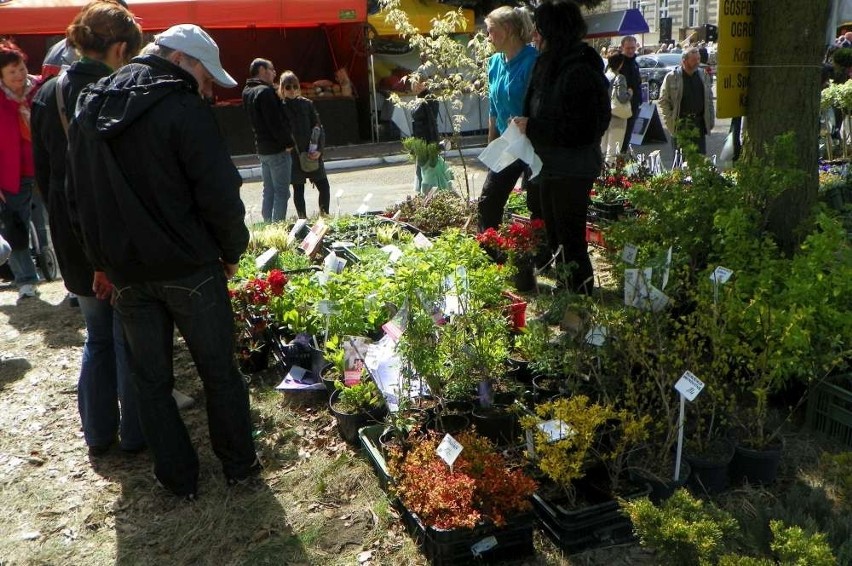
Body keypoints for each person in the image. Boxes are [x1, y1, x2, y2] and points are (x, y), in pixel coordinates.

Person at [66, 24, 259, 500]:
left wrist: (101, 259)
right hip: (188, 265)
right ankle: (238, 466)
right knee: (217, 372)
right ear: (177, 61)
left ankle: (178, 478)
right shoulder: (182, 107)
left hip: (129, 271)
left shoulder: (92, 105)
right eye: (204, 74)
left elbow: (78, 198)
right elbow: (219, 192)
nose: (207, 86)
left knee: (151, 381)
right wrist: (231, 250)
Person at [31, 0, 146, 457]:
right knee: (128, 338)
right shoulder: (117, 92)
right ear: (118, 48)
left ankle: (98, 434)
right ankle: (137, 434)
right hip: (111, 235)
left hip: (68, 233)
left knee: (97, 336)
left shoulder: (46, 93)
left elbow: (43, 176)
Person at [513, 0, 610, 295]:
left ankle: (579, 297)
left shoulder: (579, 68)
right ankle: (566, 294)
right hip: (547, 164)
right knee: (554, 236)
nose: (533, 36)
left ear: (553, 31)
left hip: (572, 168)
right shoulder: (549, 62)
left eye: (538, 30)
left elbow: (585, 129)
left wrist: (534, 127)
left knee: (570, 238)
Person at [479, 6, 538, 231]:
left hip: (534, 143)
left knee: (537, 204)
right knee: (488, 200)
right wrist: (491, 145)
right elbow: (493, 109)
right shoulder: (494, 63)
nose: (488, 36)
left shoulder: (534, 60)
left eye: (491, 30)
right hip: (508, 142)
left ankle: (540, 258)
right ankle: (490, 252)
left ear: (509, 29)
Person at [0, 39, 41, 300]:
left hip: (47, 166)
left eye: (21, 68)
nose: (19, 75)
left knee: (61, 220)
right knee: (16, 226)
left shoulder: (41, 88)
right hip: (12, 172)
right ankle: (25, 280)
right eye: (12, 71)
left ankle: (71, 278)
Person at [243, 58, 293, 222]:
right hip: (276, 148)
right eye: (272, 69)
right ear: (263, 70)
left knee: (269, 190)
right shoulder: (265, 92)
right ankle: (278, 227)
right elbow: (275, 122)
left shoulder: (248, 91)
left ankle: (268, 226)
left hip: (262, 148)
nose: (274, 73)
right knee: (281, 192)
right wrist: (288, 143)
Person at [278, 71, 331, 217]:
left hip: (312, 152)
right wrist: (285, 147)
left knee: (324, 187)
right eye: (288, 87)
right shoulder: (280, 108)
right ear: (282, 89)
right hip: (294, 155)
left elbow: (318, 128)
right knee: (298, 189)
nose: (292, 90)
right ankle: (303, 220)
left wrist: (319, 150)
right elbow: (277, 131)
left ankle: (324, 217)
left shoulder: (307, 104)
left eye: (295, 86)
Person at [658, 46, 715, 155]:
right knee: (680, 161)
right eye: (694, 60)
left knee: (700, 160)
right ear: (684, 61)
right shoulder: (672, 77)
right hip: (680, 124)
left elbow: (709, 100)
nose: (697, 62)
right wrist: (670, 123)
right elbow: (663, 101)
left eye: (698, 59)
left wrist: (710, 119)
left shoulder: (703, 75)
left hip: (699, 124)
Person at [409, 79, 439, 195]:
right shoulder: (419, 99)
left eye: (419, 83)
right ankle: (423, 193)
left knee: (427, 169)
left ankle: (428, 193)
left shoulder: (429, 98)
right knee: (421, 169)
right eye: (415, 84)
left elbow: (431, 121)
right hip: (419, 137)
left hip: (427, 138)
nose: (416, 86)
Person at [601, 53, 632, 162]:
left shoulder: (604, 76)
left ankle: (601, 175)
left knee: (603, 148)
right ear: (620, 64)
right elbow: (622, 97)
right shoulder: (620, 77)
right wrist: (630, 93)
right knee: (613, 150)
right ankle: (611, 176)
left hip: (604, 117)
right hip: (617, 117)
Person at [618, 35, 642, 154]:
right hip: (622, 105)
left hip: (634, 104)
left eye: (633, 48)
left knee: (627, 135)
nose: (631, 51)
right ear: (622, 47)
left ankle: (622, 156)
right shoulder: (620, 63)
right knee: (621, 136)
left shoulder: (634, 62)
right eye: (628, 48)